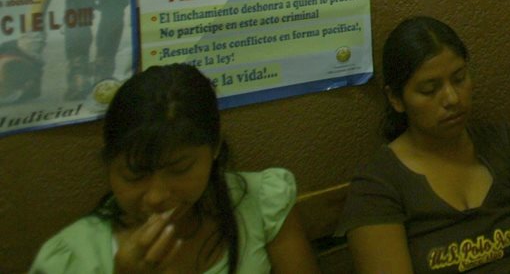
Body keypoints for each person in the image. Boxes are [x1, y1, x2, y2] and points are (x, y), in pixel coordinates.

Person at [31, 64, 319, 273]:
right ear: (109, 164)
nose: (156, 196)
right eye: (134, 175)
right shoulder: (70, 258)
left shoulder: (260, 203)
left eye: (180, 169)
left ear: (215, 148)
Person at [338, 17, 510, 274]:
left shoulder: (504, 145)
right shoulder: (377, 187)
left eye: (459, 79)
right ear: (396, 99)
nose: (452, 98)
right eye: (429, 90)